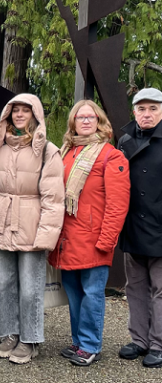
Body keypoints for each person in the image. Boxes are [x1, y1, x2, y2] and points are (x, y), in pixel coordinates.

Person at [0, 93, 65, 364]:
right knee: (2, 284)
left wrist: (46, 234)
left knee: (30, 287)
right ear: (8, 115)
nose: (20, 115)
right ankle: (8, 333)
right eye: (16, 110)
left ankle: (29, 339)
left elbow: (53, 197)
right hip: (2, 221)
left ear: (35, 115)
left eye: (26, 110)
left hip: (31, 223)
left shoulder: (48, 150)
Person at [48, 100, 130, 366]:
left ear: (99, 121)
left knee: (92, 293)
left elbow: (118, 204)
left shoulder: (110, 155)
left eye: (91, 117)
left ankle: (90, 345)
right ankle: (78, 342)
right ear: (73, 122)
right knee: (73, 293)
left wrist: (107, 240)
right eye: (80, 117)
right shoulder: (65, 153)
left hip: (94, 239)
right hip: (67, 239)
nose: (85, 121)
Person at [117, 88, 162, 368]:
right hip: (133, 226)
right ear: (134, 112)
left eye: (153, 109)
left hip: (160, 226)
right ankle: (139, 340)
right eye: (142, 109)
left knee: (160, 289)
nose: (147, 114)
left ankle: (158, 343)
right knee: (135, 287)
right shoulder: (124, 139)